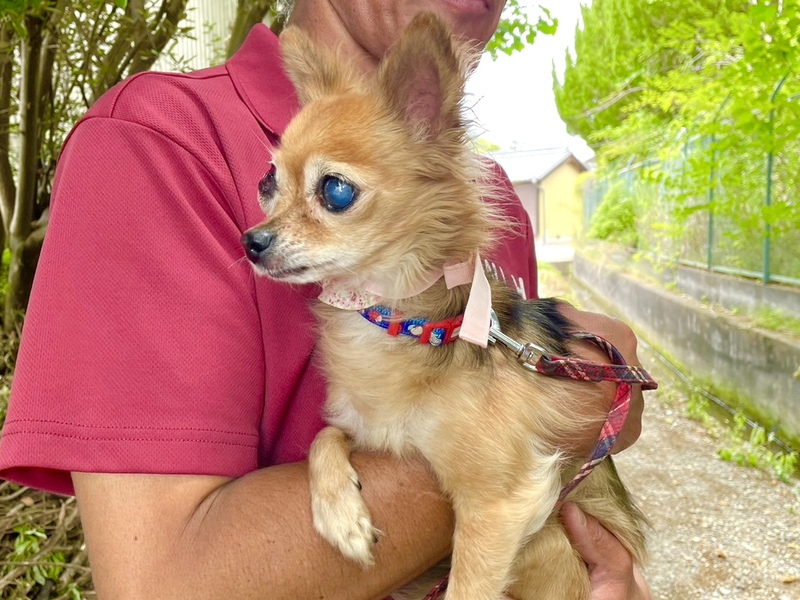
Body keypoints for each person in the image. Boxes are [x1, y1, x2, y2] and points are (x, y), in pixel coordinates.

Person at [0, 1, 651, 598]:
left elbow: (573, 521)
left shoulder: (489, 200)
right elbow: (162, 584)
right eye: (274, 187)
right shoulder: (157, 143)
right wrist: (564, 404)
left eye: (335, 192)